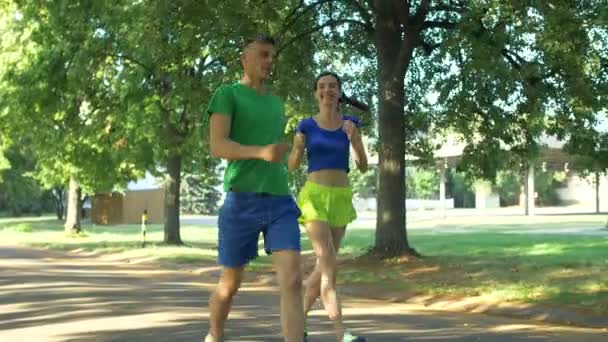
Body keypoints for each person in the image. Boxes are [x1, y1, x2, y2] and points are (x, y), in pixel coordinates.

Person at [205, 34, 305, 342]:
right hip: (241, 201)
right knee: (230, 284)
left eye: (272, 56)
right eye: (262, 55)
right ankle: (215, 335)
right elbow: (218, 145)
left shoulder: (276, 104)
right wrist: (260, 151)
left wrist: (295, 152)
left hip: (279, 201)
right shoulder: (227, 94)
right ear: (244, 59)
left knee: (291, 279)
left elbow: (282, 160)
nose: (269, 61)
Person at [288, 71, 368, 342]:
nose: (327, 90)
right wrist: (297, 148)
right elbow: (292, 164)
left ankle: (296, 325)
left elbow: (364, 165)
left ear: (339, 92)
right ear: (316, 93)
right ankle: (340, 335)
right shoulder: (306, 126)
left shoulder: (350, 123)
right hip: (314, 197)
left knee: (324, 266)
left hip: (341, 197)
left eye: (332, 86)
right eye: (322, 87)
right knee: (329, 266)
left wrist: (355, 141)